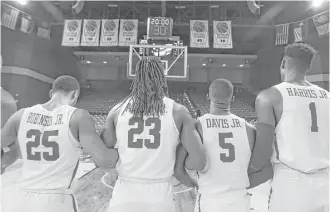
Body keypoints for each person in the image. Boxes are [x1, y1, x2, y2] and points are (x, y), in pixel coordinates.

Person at [101, 56, 206, 212]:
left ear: (136, 77)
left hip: (124, 194)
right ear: (162, 78)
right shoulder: (178, 111)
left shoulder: (117, 111)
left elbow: (104, 159)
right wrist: (178, 154)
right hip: (160, 196)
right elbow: (198, 162)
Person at [1, 75, 119, 212]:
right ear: (75, 94)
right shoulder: (78, 117)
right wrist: (124, 150)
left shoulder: (21, 115)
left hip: (21, 200)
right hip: (56, 201)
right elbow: (104, 160)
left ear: (51, 93)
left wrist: (8, 156)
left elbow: (4, 152)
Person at [249, 43, 329, 212]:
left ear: (284, 63)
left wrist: (241, 174)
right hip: (326, 183)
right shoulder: (327, 96)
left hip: (290, 182)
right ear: (309, 67)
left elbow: (262, 153)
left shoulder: (269, 96)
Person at [176, 79, 273, 212]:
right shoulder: (249, 129)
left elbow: (180, 168)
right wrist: (241, 184)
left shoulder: (197, 126)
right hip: (240, 202)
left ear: (208, 97)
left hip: (210, 200)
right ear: (232, 99)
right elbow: (267, 171)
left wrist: (195, 184)